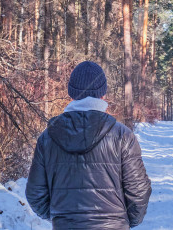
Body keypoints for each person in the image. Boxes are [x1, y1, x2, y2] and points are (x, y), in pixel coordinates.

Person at [26, 61, 152, 229]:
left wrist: (60, 217)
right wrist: (125, 221)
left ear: (71, 93)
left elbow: (35, 193)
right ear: (103, 93)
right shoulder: (122, 135)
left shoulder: (47, 137)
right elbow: (138, 191)